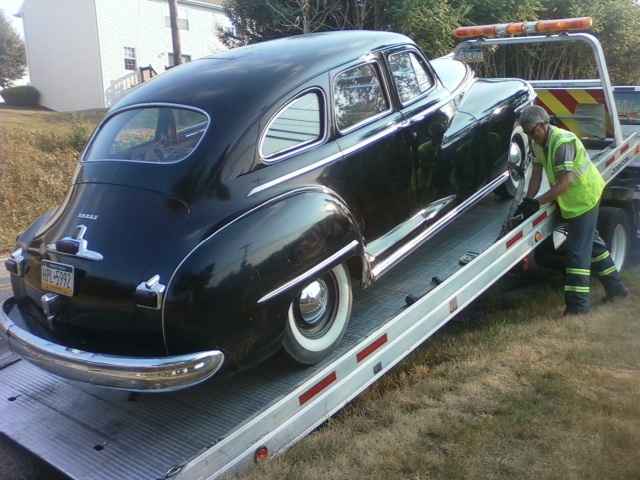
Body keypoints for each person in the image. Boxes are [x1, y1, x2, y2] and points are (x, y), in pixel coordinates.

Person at [516, 105, 628, 315]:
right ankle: (617, 290)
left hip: (583, 198)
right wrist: (528, 201)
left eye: (532, 132)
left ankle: (578, 308)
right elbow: (536, 175)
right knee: (592, 246)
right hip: (571, 199)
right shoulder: (538, 143)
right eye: (526, 134)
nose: (530, 137)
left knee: (578, 252)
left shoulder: (562, 142)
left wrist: (538, 202)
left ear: (543, 124)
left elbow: (565, 183)